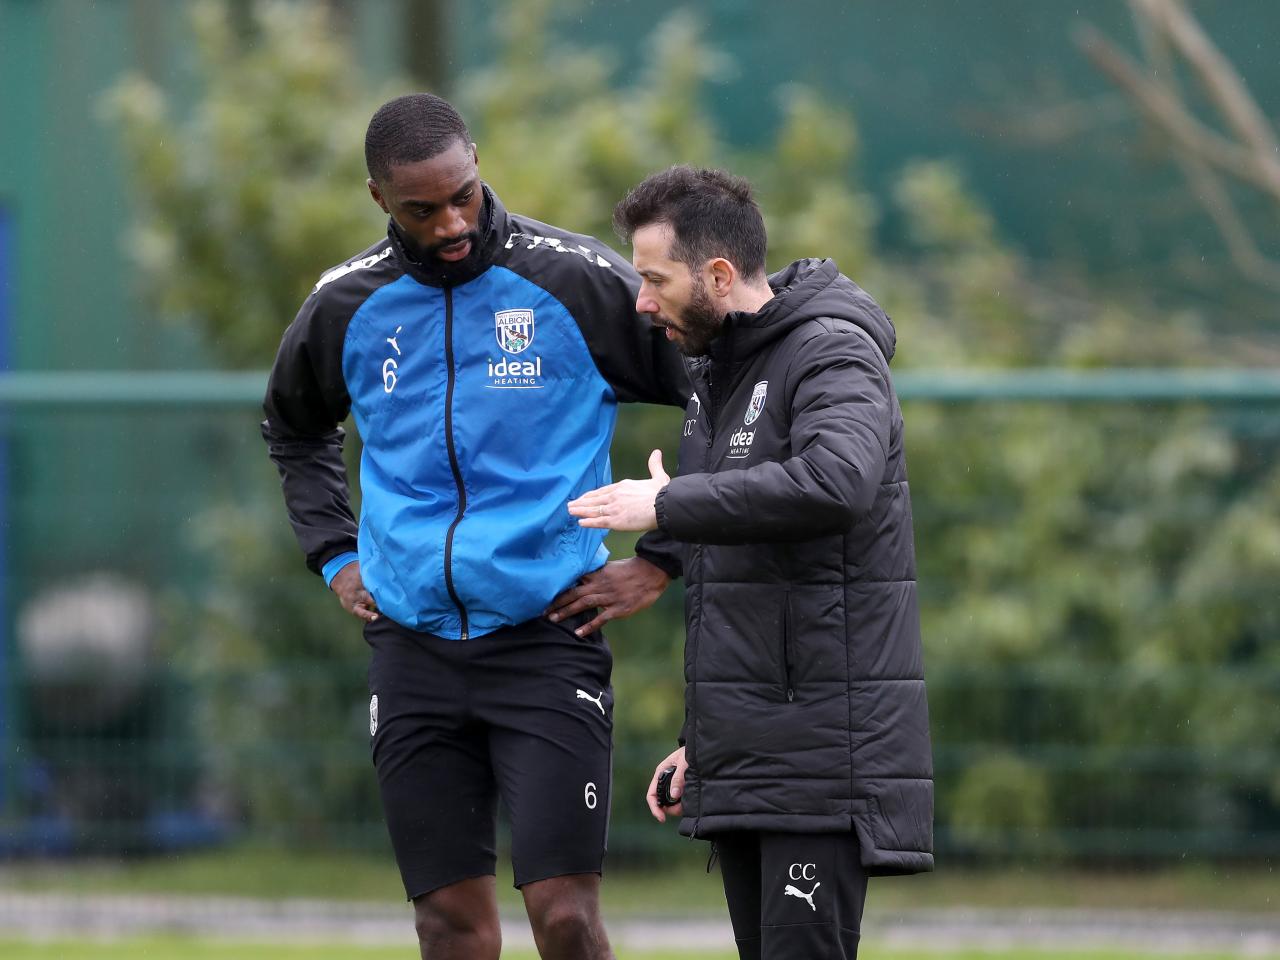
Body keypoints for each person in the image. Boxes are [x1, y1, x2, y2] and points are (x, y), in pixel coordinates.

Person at [260, 94, 688, 960]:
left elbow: (716, 394)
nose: (452, 221)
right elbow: (294, 426)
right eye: (423, 209)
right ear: (380, 199)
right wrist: (336, 555)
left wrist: (664, 554)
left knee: (564, 917)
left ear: (478, 162)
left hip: (547, 635)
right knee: (448, 925)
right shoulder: (347, 303)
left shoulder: (573, 280)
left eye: (463, 193)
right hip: (410, 647)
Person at [569, 166, 934, 960]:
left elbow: (835, 484)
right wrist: (707, 737)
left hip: (820, 763)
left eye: (654, 279)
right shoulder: (714, 374)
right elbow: (747, 579)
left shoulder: (833, 352)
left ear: (719, 275)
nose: (641, 300)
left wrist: (664, 506)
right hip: (752, 754)